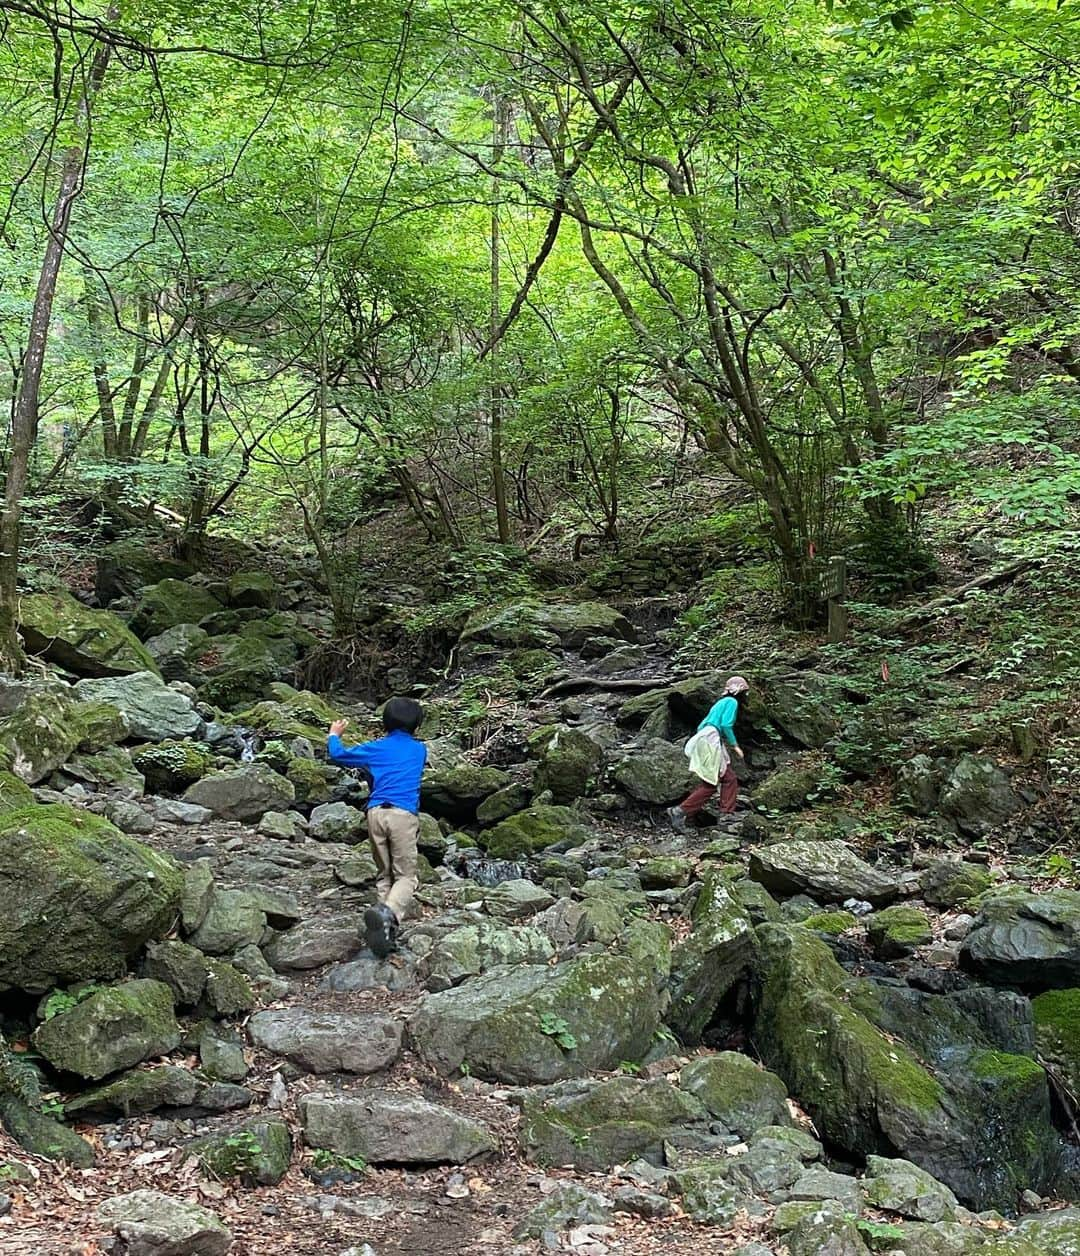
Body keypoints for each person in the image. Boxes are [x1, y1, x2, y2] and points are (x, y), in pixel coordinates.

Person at [327, 697, 427, 957]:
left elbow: (338, 755)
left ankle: (384, 934)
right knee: (406, 876)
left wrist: (334, 735)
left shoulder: (375, 748)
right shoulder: (419, 750)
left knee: (385, 875)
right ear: (417, 725)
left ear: (385, 723)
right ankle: (388, 913)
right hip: (402, 815)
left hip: (375, 814)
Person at [667, 676, 749, 833]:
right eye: (744, 692)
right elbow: (726, 724)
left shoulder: (720, 703)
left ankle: (725, 813)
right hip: (711, 737)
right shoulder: (732, 702)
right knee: (713, 783)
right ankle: (681, 811)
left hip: (705, 737)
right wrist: (735, 745)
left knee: (727, 778)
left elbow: (702, 726)